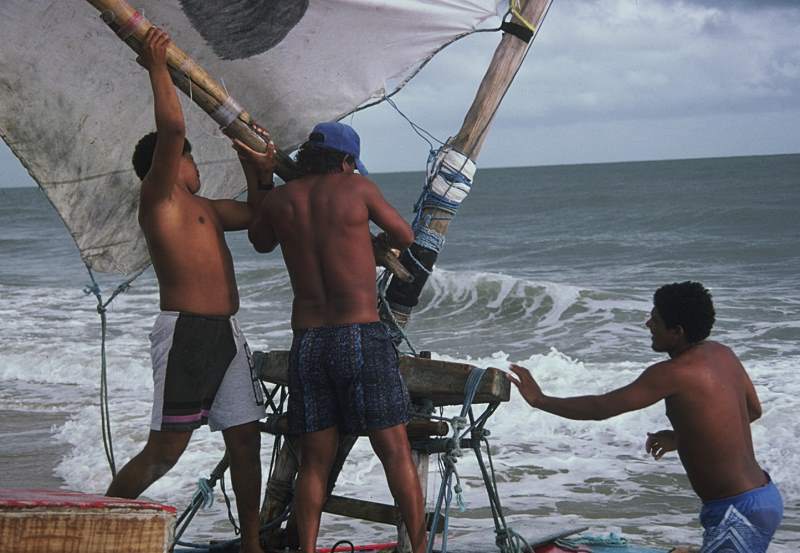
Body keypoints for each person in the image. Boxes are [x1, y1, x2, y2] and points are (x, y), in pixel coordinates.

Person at [105, 28, 276, 553]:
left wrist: (257, 166)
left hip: (225, 334)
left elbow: (257, 220)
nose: (197, 168)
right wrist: (158, 65)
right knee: (164, 452)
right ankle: (103, 528)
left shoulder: (207, 210)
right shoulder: (160, 199)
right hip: (186, 334)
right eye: (191, 158)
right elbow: (173, 127)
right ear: (172, 164)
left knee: (246, 443)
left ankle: (252, 543)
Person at [245, 121, 426, 553]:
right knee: (395, 452)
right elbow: (405, 235)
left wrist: (263, 180)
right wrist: (374, 244)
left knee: (314, 463)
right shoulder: (357, 190)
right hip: (360, 333)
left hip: (309, 342)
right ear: (346, 162)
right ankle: (419, 550)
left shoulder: (281, 200)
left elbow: (259, 241)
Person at [506, 281, 783, 553]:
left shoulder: (672, 373)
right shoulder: (723, 354)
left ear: (677, 331)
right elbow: (752, 411)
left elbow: (600, 408)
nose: (648, 324)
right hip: (762, 496)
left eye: (656, 319)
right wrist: (681, 437)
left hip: (736, 513)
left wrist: (540, 400)